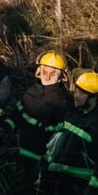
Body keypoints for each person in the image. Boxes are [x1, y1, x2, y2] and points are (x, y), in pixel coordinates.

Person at [8, 51, 72, 183]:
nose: (47, 76)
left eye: (52, 73)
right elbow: (18, 113)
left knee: (37, 188)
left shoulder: (64, 101)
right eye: (44, 72)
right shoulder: (32, 91)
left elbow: (60, 136)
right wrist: (5, 126)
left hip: (43, 158)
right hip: (23, 149)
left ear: (62, 76)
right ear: (39, 71)